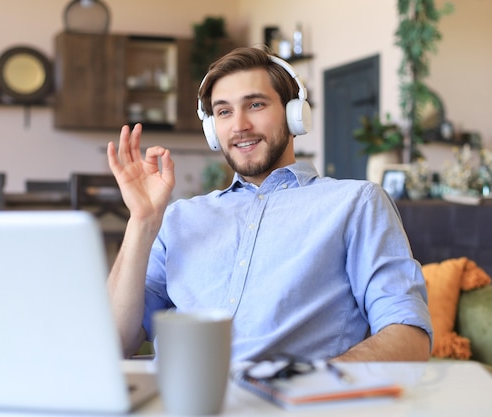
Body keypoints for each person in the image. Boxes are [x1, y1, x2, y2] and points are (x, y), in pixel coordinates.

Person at [106, 46, 432, 362]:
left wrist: (316, 381)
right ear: (212, 129)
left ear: (295, 115)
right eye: (223, 112)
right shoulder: (180, 217)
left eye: (256, 105)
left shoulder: (355, 204)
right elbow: (114, 343)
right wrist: (142, 221)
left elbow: (408, 335)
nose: (239, 125)